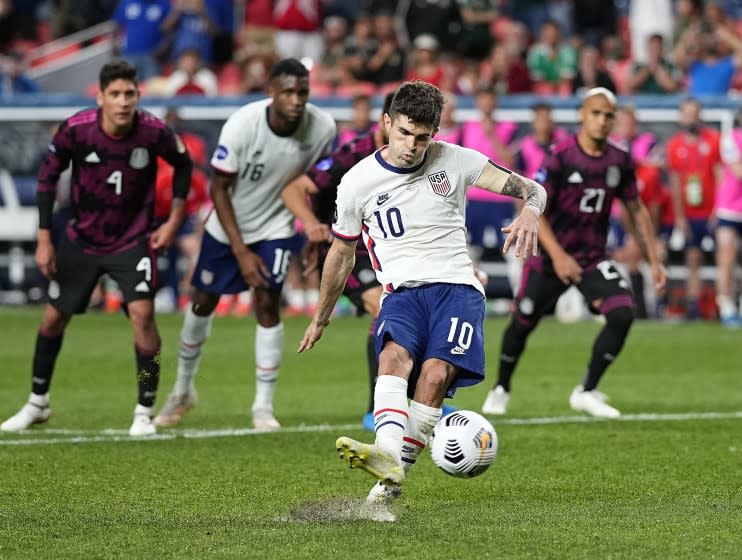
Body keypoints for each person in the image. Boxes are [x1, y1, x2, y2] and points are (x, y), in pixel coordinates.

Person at [297, 81, 546, 517]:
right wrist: (321, 316)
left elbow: (533, 188)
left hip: (458, 289)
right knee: (393, 359)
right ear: (386, 123)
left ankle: (387, 477)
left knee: (433, 377)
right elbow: (341, 253)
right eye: (405, 133)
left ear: (435, 133)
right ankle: (387, 460)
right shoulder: (356, 182)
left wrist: (530, 210)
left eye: (423, 137)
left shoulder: (457, 160)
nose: (412, 146)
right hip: (401, 293)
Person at [0, 60, 193, 436]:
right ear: (101, 97)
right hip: (82, 239)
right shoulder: (77, 130)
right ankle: (37, 402)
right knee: (54, 318)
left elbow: (184, 166)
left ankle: (143, 410)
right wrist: (43, 240)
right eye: (115, 94)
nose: (123, 102)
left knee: (143, 316)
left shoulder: (153, 131)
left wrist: (172, 219)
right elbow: (46, 178)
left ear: (138, 95)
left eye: (130, 94)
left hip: (133, 239)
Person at [153, 58, 336, 430]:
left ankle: (262, 407)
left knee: (267, 300)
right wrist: (240, 251)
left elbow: (315, 185)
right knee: (202, 302)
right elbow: (219, 188)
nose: (297, 100)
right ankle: (184, 391)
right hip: (228, 226)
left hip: (277, 225)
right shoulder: (242, 124)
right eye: (288, 92)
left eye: (302, 92)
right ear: (271, 92)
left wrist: (312, 228)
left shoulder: (323, 128)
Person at [481, 88, 667, 419]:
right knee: (523, 322)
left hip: (592, 257)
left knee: (623, 313)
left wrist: (654, 260)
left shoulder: (620, 160)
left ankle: (587, 390)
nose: (602, 121)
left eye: (609, 115)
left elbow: (636, 210)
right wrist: (559, 255)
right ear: (582, 114)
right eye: (596, 113)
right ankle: (501, 388)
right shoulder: (560, 156)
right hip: (550, 257)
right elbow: (534, 205)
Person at [666, 98, 721, 320]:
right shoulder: (674, 145)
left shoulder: (713, 140)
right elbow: (675, 183)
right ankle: (693, 305)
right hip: (689, 212)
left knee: (724, 255)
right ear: (681, 117)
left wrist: (718, 209)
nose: (690, 118)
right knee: (693, 258)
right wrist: (679, 216)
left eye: (694, 113)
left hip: (712, 211)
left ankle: (723, 303)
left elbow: (719, 176)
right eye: (687, 113)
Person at [714, 107, 742, 327]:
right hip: (730, 208)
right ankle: (726, 305)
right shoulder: (730, 139)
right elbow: (738, 170)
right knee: (727, 255)